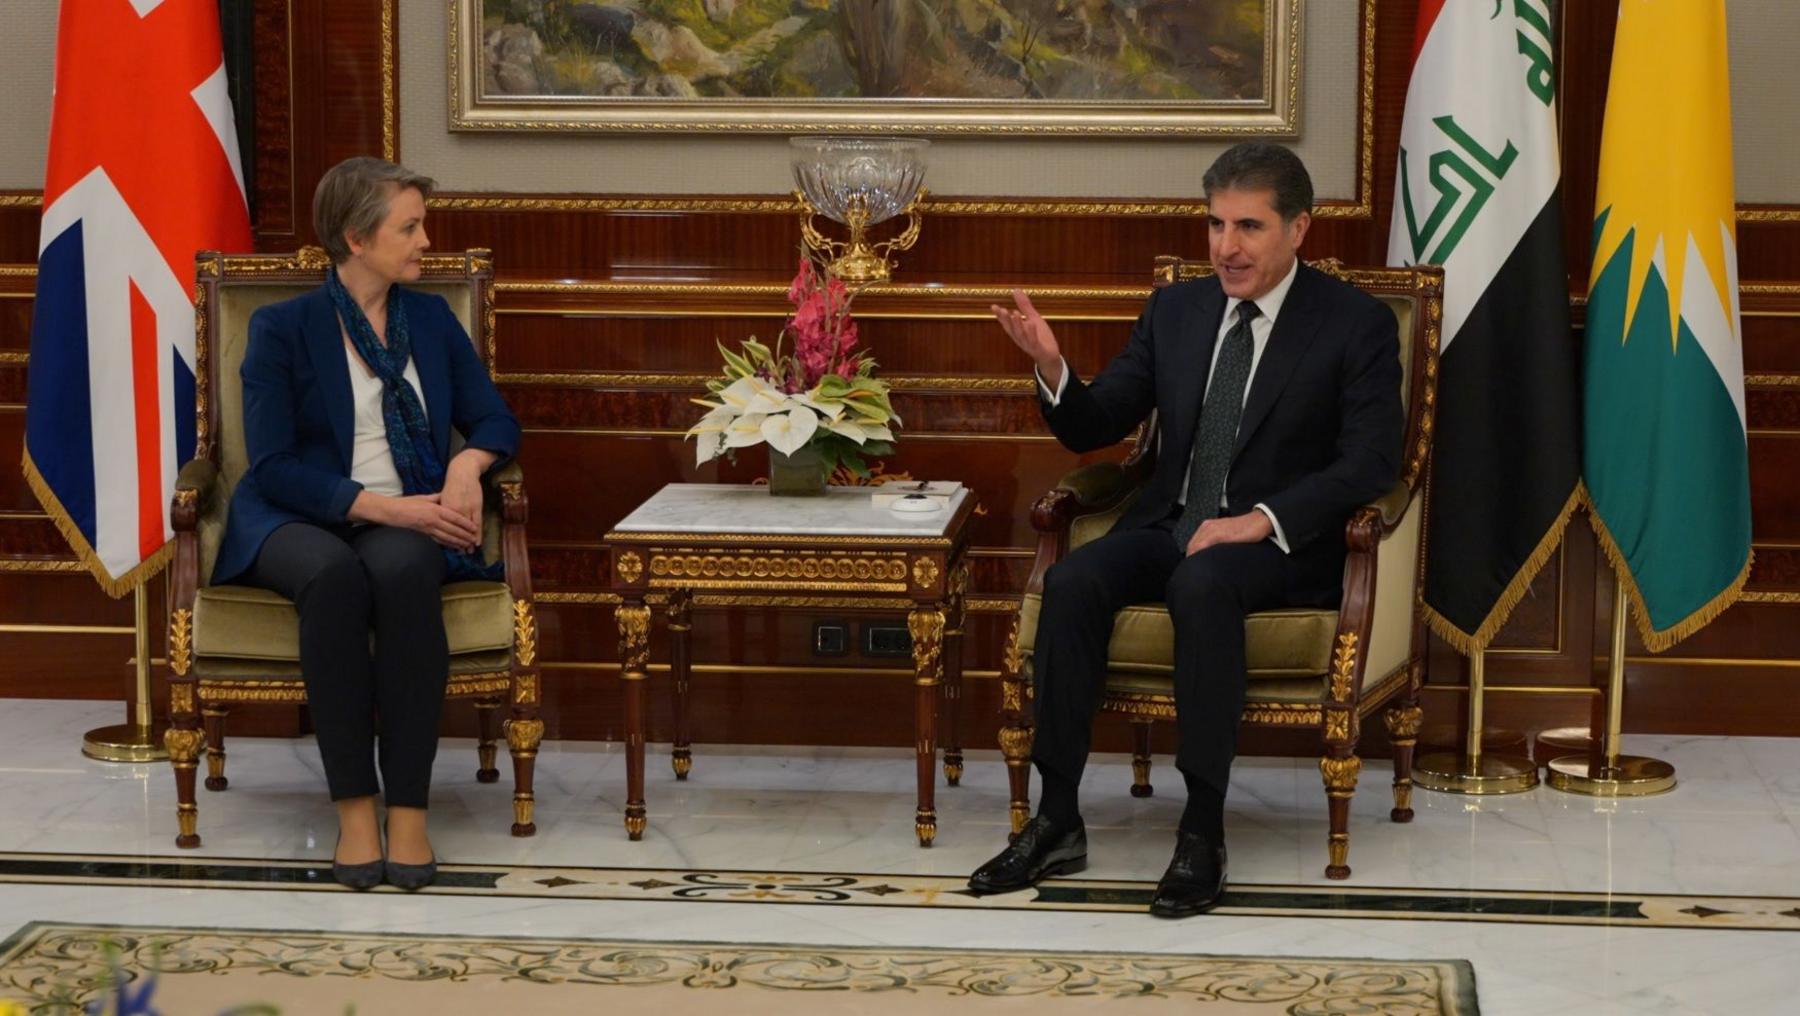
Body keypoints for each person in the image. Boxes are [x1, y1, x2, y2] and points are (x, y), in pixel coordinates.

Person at [968, 143, 1403, 917]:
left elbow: (1371, 461)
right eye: (1214, 225)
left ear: (1298, 229)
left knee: (1202, 583)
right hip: (1173, 520)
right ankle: (1057, 817)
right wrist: (1053, 368)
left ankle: (1202, 832)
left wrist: (1260, 521)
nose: (1225, 247)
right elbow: (1100, 421)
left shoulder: (1354, 323)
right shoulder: (1179, 308)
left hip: (1279, 544)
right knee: (1073, 580)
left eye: (1248, 227)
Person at [211, 157, 521, 890]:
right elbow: (274, 465)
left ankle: (408, 811)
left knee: (408, 570)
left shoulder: (432, 320)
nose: (425, 241)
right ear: (356, 237)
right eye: (409, 227)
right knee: (334, 576)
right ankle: (355, 809)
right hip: (297, 516)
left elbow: (494, 418)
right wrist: (388, 508)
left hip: (407, 511)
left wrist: (462, 469)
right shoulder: (281, 328)